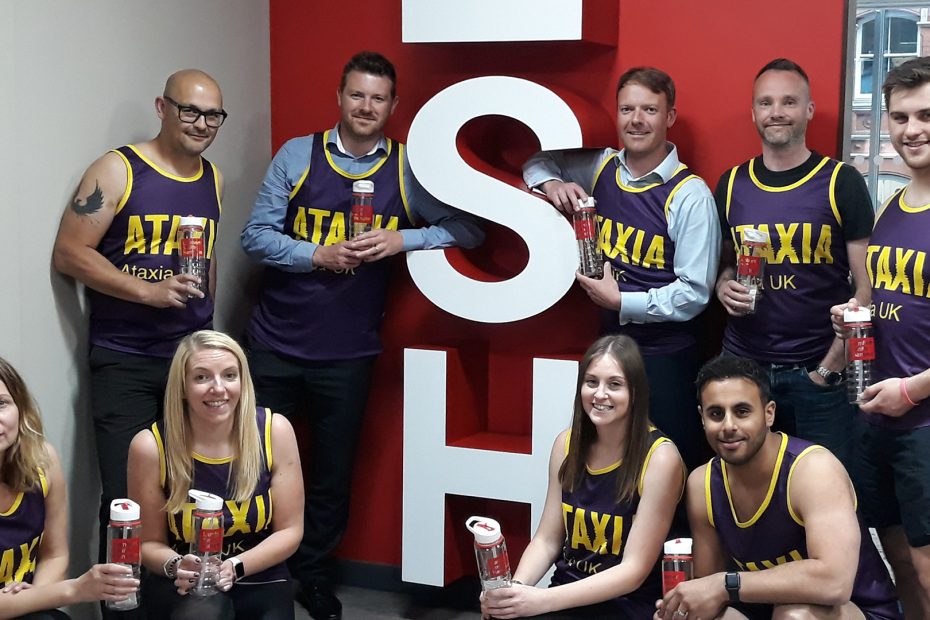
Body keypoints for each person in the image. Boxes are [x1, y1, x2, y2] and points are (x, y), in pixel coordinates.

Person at [240, 50, 483, 618]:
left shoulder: (405, 168)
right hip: (274, 342)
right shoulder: (298, 154)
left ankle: (312, 577)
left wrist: (404, 239)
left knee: (331, 476)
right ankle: (253, 573)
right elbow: (255, 237)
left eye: (378, 98)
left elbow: (468, 229)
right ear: (339, 97)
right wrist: (317, 254)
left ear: (393, 106)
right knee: (253, 469)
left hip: (348, 353)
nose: (366, 106)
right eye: (357, 95)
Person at [51, 70, 227, 566]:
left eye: (213, 115)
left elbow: (209, 256)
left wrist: (207, 332)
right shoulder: (117, 169)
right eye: (189, 111)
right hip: (125, 359)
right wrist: (148, 292)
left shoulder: (212, 177)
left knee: (188, 490)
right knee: (126, 500)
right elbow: (69, 253)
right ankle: (122, 602)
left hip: (189, 362)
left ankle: (181, 593)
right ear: (162, 108)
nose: (201, 124)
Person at [522, 66, 720, 471]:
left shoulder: (690, 195)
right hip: (608, 349)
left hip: (666, 358)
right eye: (627, 109)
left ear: (669, 117)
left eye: (650, 109)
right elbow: (536, 163)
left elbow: (695, 293)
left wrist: (621, 301)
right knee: (607, 467)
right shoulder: (601, 166)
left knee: (668, 468)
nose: (636, 120)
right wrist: (553, 185)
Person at [714, 58, 872, 467]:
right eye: (766, 103)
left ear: (809, 109)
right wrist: (723, 285)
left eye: (789, 102)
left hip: (816, 374)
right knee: (744, 490)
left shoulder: (841, 181)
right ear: (754, 112)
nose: (776, 112)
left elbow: (867, 288)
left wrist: (829, 368)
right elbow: (725, 264)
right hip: (743, 368)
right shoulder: (731, 184)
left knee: (826, 491)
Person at [656, 356, 899, 620]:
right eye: (716, 414)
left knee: (794, 615)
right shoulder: (701, 484)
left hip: (854, 609)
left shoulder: (813, 470)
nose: (729, 426)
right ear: (702, 418)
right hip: (763, 609)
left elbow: (835, 584)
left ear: (769, 413)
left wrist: (726, 584)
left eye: (742, 411)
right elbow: (709, 591)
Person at [480, 335, 685, 619]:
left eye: (614, 384)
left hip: (625, 605)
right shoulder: (566, 445)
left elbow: (633, 571)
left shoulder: (660, 458)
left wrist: (542, 600)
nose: (600, 394)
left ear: (636, 392)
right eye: (591, 382)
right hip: (565, 595)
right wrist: (513, 593)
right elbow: (547, 541)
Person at [829, 56, 930, 618]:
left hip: (922, 420)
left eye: (926, 115)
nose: (912, 129)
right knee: (900, 562)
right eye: (901, 116)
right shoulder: (894, 204)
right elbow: (883, 298)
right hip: (877, 416)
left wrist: (911, 391)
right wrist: (854, 317)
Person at [127, 330, 303, 620]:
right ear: (182, 386)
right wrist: (177, 565)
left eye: (230, 375)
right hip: (185, 579)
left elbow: (290, 531)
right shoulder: (150, 446)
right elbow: (148, 543)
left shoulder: (275, 430)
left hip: (259, 571)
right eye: (202, 377)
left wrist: (234, 566)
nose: (218, 388)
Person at [0, 356, 139, 619]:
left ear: (20, 407)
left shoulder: (42, 461)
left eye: (1, 404)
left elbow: (55, 556)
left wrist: (34, 597)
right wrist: (75, 590)